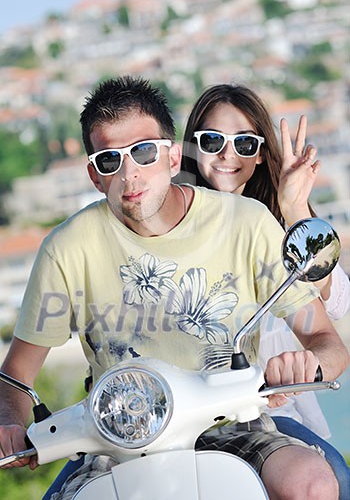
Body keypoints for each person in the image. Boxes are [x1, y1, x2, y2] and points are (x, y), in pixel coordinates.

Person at [0, 76, 348, 500]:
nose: (130, 175)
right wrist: (12, 424)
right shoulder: (66, 249)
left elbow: (326, 340)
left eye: (143, 152)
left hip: (233, 423)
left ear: (170, 156)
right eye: (110, 160)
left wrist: (306, 365)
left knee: (312, 483)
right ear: (94, 175)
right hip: (116, 444)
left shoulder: (247, 222)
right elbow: (17, 374)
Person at [181, 82, 350, 498]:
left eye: (244, 142)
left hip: (266, 411)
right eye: (212, 140)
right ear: (191, 148)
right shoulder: (166, 226)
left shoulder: (275, 225)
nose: (227, 154)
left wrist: (293, 208)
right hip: (179, 416)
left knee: (334, 480)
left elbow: (337, 303)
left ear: (259, 153)